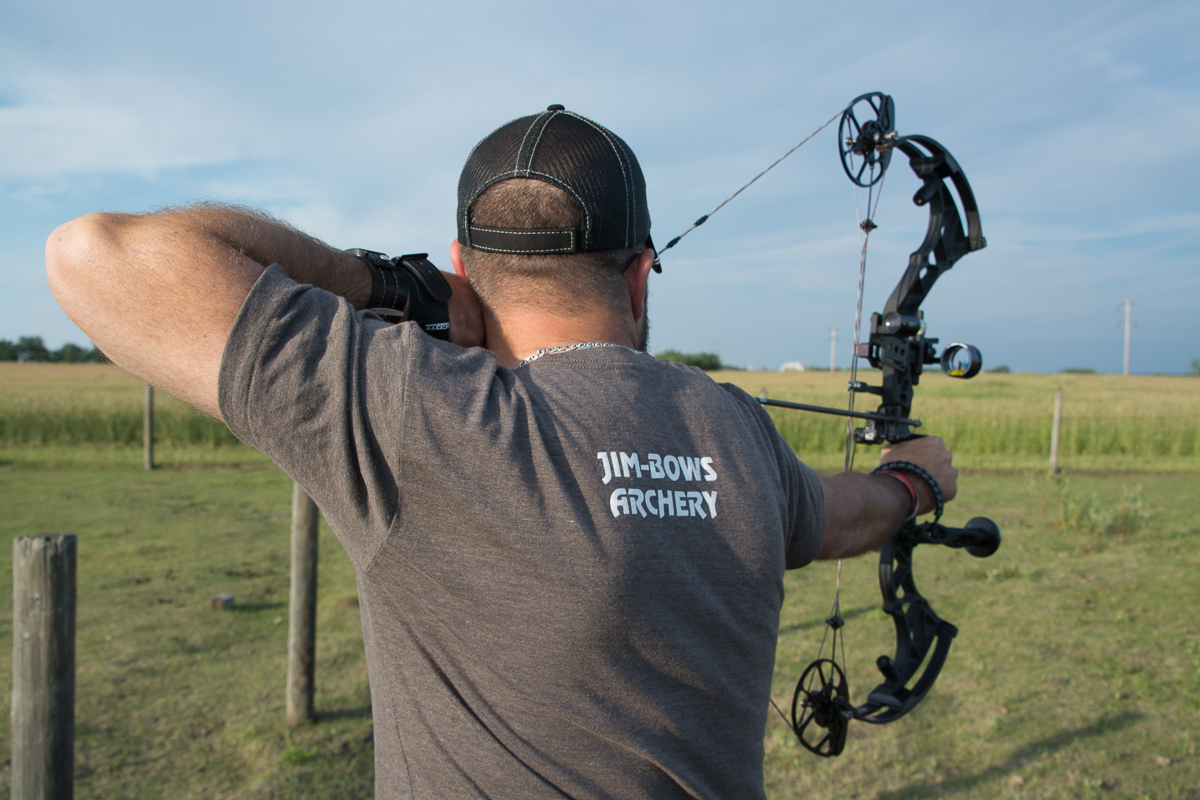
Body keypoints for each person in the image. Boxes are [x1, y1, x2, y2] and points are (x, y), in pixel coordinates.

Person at [46, 106, 958, 799]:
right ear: (641, 272)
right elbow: (841, 517)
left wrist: (386, 285)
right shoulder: (735, 428)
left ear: (462, 264)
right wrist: (914, 480)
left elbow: (92, 254)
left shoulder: (420, 416)